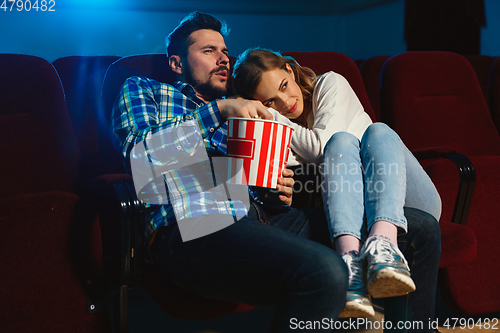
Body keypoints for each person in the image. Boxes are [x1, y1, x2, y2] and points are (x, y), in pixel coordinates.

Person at [111, 11, 440, 332]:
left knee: (420, 230)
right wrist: (218, 111)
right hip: (195, 221)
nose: (223, 58)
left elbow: (292, 170)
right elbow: (139, 155)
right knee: (327, 270)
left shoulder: (249, 106)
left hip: (267, 218)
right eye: (208, 51)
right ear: (177, 63)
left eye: (225, 51)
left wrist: (279, 188)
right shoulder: (147, 90)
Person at [232, 48, 442, 319]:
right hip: (356, 212)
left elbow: (320, 147)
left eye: (284, 86)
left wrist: (272, 116)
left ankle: (384, 242)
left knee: (371, 133)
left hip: (404, 198)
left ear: (290, 69)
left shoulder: (330, 83)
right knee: (340, 145)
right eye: (270, 102)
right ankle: (350, 263)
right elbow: (290, 178)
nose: (285, 102)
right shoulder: (284, 130)